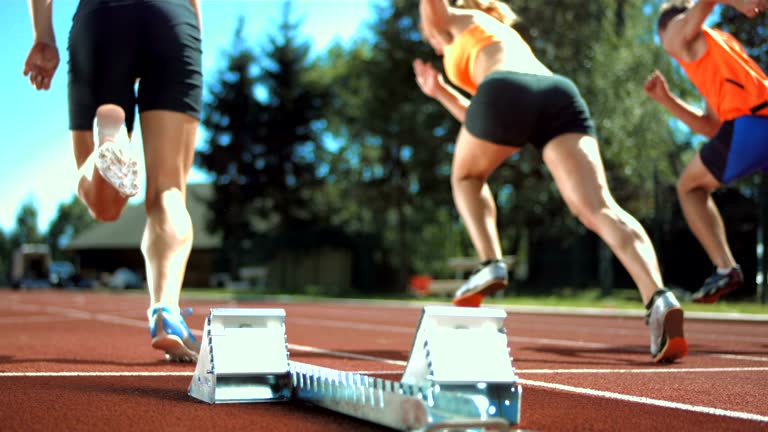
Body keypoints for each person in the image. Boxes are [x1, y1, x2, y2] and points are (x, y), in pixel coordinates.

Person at [413, 0, 688, 362]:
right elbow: (484, 119)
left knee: (466, 176)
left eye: (428, 36)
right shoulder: (493, 32)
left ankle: (490, 262)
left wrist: (432, 22)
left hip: (504, 93)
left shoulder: (449, 22)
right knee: (600, 207)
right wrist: (440, 91)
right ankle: (658, 298)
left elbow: (496, 106)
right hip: (557, 93)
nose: (432, 43)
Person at [24, 0, 203, 362]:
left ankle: (112, 138)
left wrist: (44, 36)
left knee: (104, 208)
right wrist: (190, 38)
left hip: (102, 15)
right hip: (173, 18)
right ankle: (166, 312)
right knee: (168, 192)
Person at [644, 0, 768, 304]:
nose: (670, 50)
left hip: (752, 124)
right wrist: (667, 100)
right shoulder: (718, 48)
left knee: (689, 187)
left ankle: (725, 267)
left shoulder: (673, 31)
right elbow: (713, 128)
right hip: (754, 125)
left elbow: (703, 6)